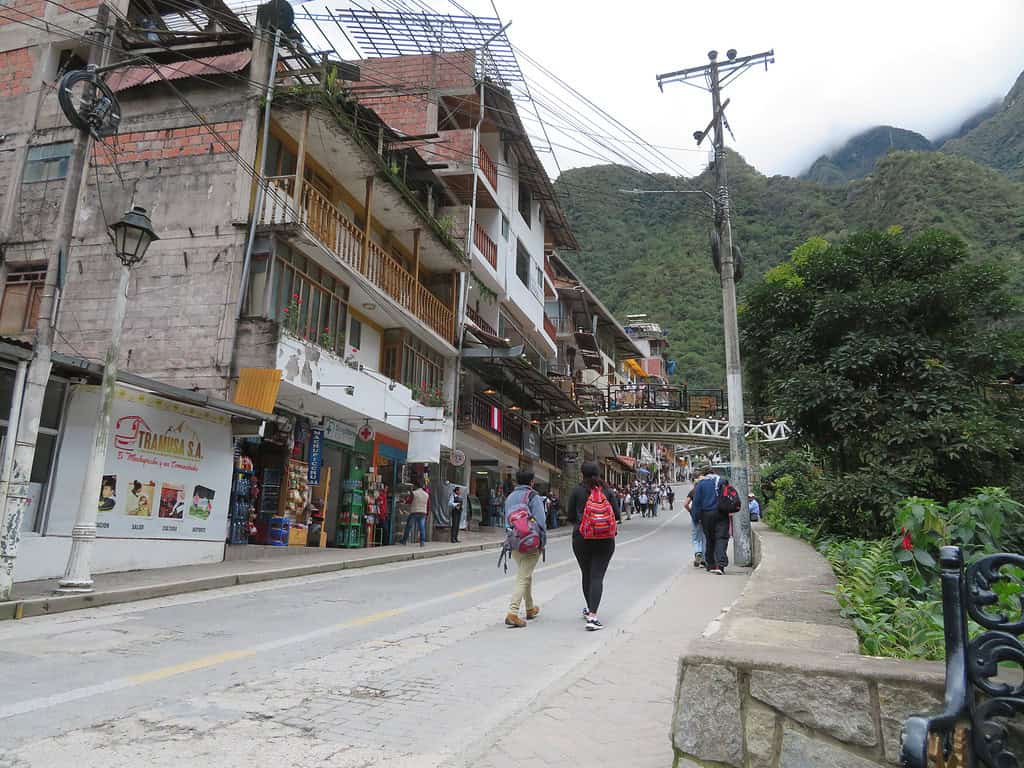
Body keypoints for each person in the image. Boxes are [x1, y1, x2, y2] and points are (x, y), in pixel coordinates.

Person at [568, 461, 620, 631]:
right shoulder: (607, 491)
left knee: (586, 574)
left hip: (581, 538)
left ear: (582, 474)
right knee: (597, 576)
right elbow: (618, 515)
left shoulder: (577, 491)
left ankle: (590, 610)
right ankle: (593, 615)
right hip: (605, 540)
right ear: (599, 473)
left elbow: (570, 516)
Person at [504, 469, 548, 628]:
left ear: (516, 481)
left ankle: (530, 608)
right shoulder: (532, 496)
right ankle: (512, 612)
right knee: (523, 576)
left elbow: (507, 522)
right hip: (530, 542)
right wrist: (542, 543)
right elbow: (541, 522)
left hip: (515, 542)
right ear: (532, 482)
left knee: (525, 573)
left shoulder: (509, 497)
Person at [692, 465, 729, 574]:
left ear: (703, 474)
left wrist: (696, 518)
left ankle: (711, 564)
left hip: (707, 515)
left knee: (710, 539)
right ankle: (721, 565)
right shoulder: (722, 481)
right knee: (721, 538)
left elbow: (696, 504)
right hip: (722, 513)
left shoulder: (701, 484)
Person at [684, 474, 705, 568]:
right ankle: (704, 559)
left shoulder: (693, 491)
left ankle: (698, 552)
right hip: (706, 516)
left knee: (696, 537)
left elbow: (685, 504)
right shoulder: (707, 491)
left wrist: (691, 512)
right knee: (705, 537)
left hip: (696, 516)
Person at [401, 479, 429, 547]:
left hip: (415, 512)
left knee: (409, 526)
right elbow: (428, 504)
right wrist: (427, 513)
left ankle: (404, 540)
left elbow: (410, 501)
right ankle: (422, 542)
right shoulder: (426, 494)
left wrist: (404, 501)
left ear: (416, 486)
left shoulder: (414, 493)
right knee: (422, 527)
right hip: (423, 512)